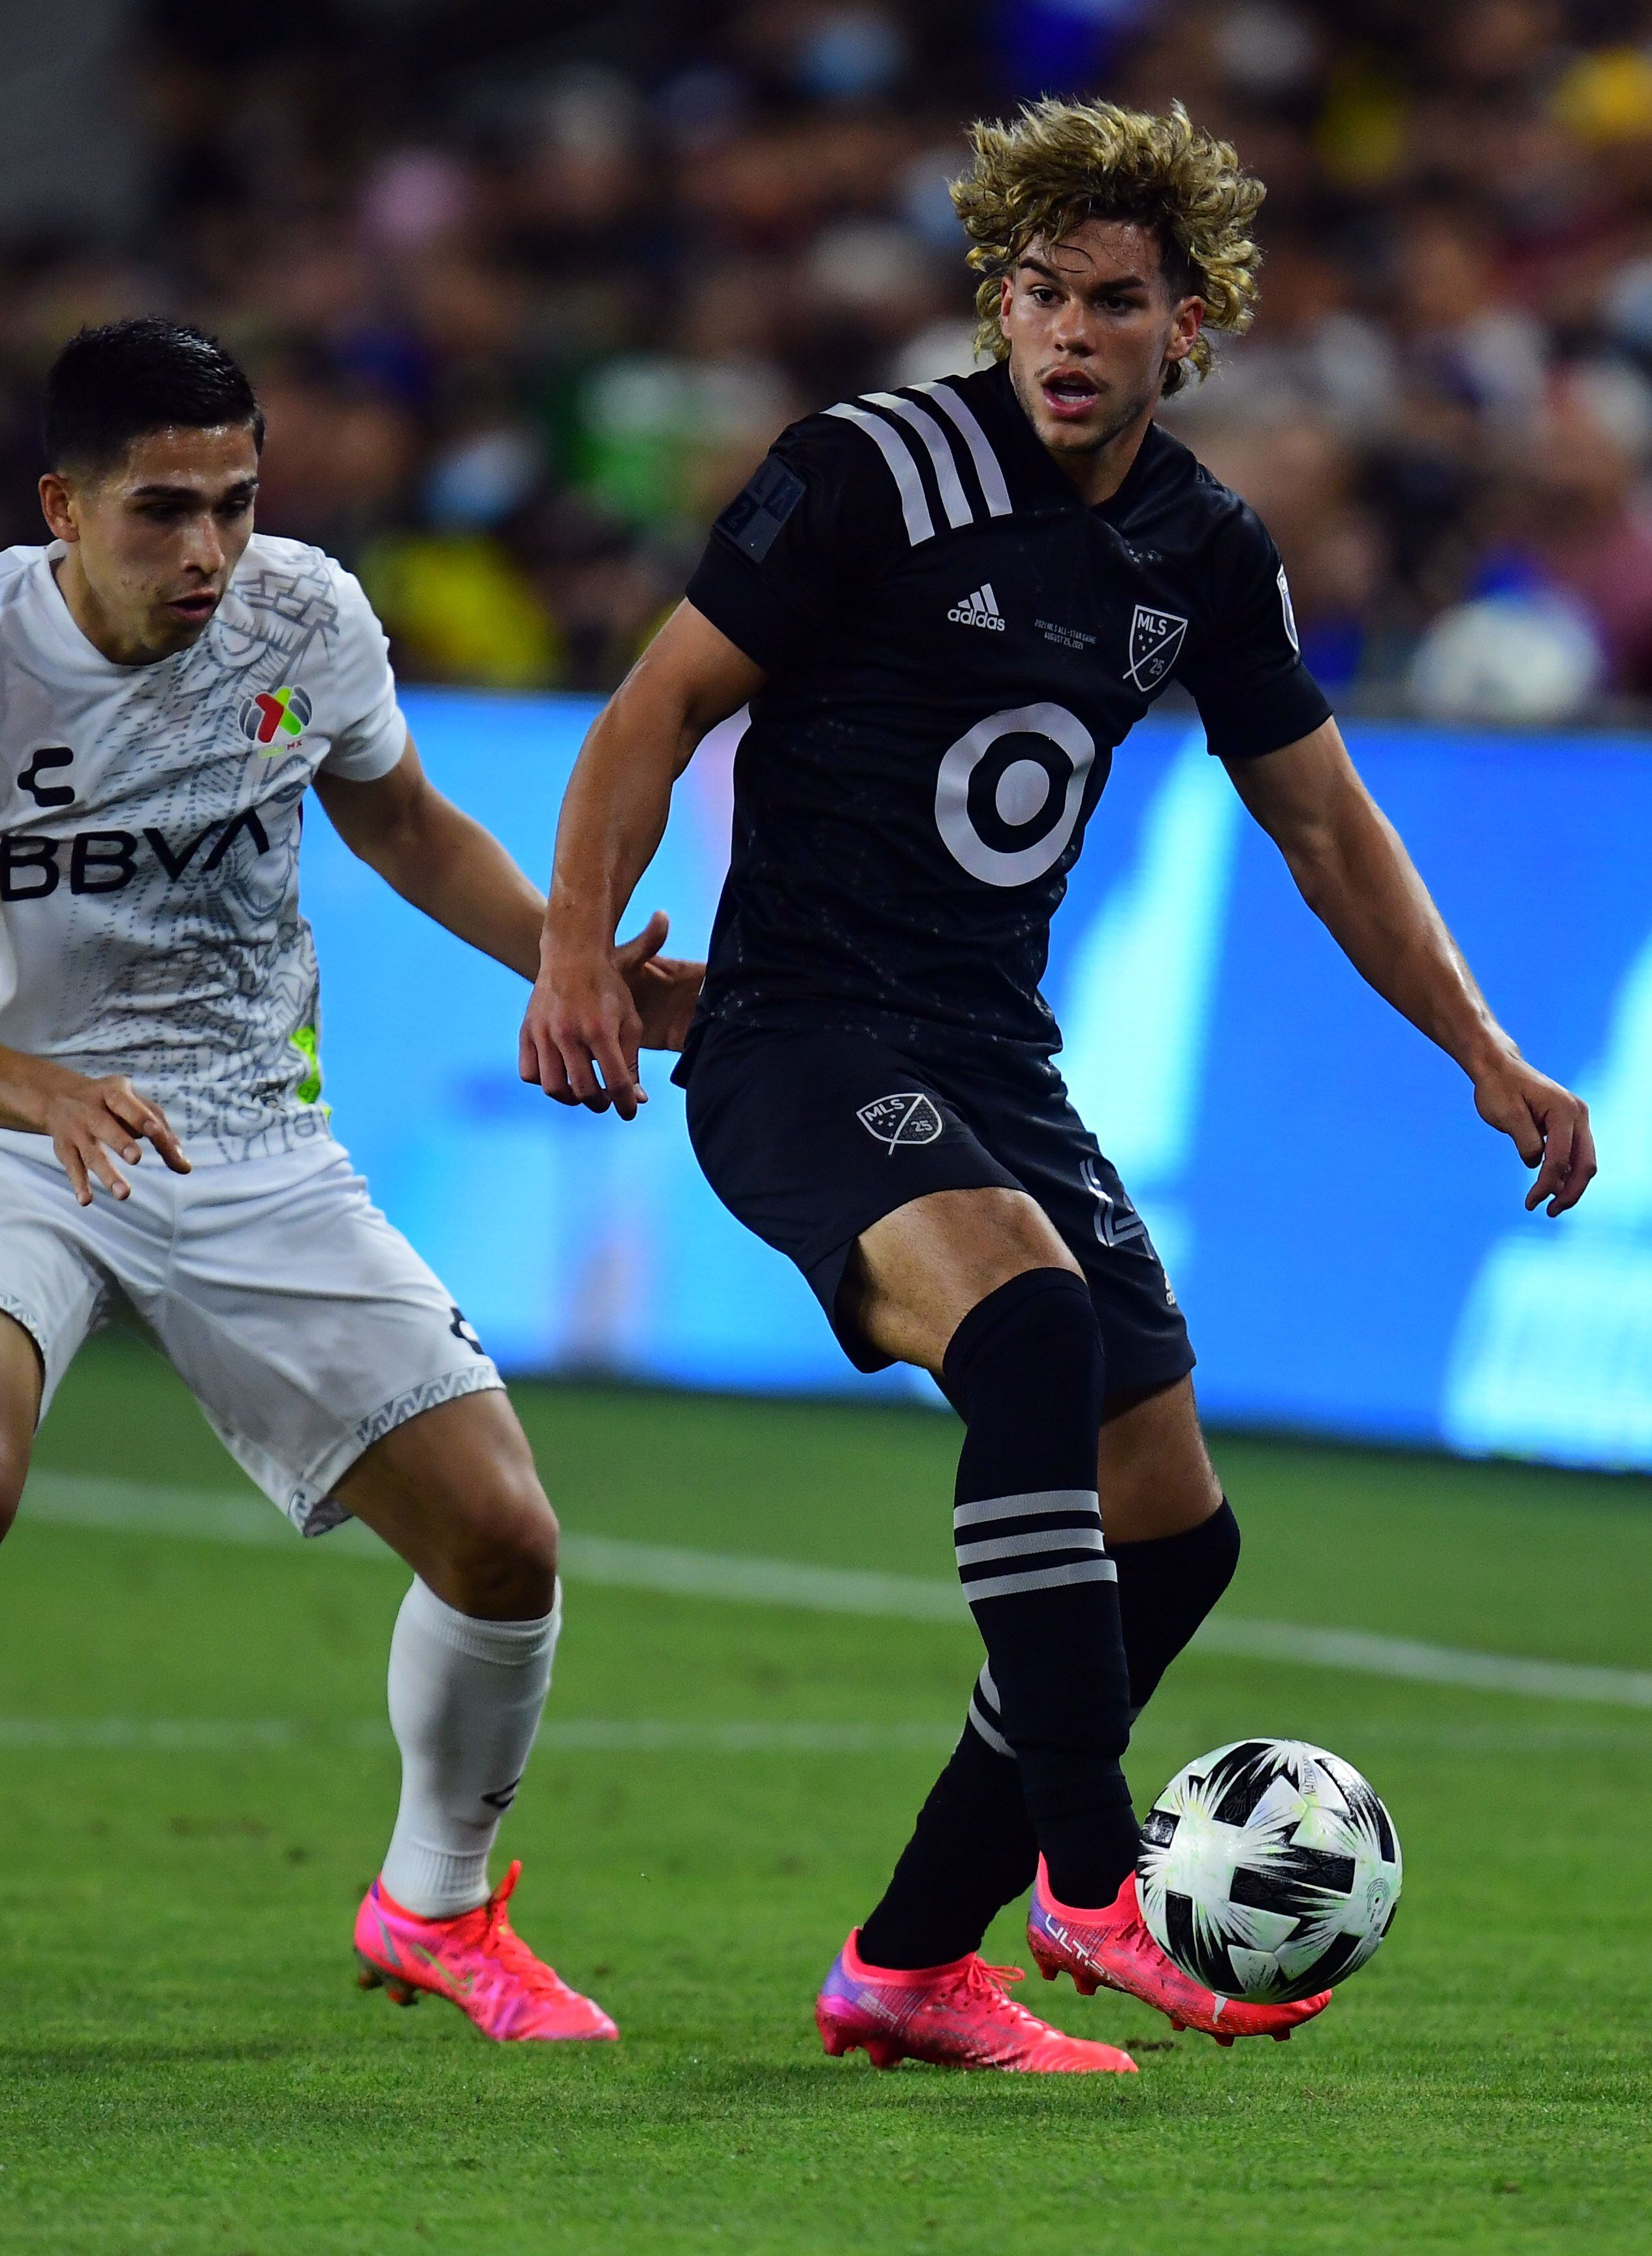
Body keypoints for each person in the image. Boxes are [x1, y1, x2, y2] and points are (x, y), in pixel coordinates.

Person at [520, 99, 1595, 2074]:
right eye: (1038, 294)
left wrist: (1486, 1047)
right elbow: (654, 710)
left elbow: (1330, 824)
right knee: (1025, 1324)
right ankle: (1095, 1879)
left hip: (992, 1053)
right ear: (996, 302)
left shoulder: (1202, 546)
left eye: (1115, 300)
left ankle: (916, 1954)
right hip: (798, 1035)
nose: (1069, 332)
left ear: (1192, 324)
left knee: (1175, 1531)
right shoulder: (869, 470)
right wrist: (579, 938)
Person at [0, 319, 692, 2059]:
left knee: (506, 1541)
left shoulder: (308, 617)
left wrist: (568, 959)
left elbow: (409, 822)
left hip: (249, 1136)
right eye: (160, 512)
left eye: (232, 501)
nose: (206, 550)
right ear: (62, 505)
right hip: (5, 1128)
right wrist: (40, 1087)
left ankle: (435, 1905)